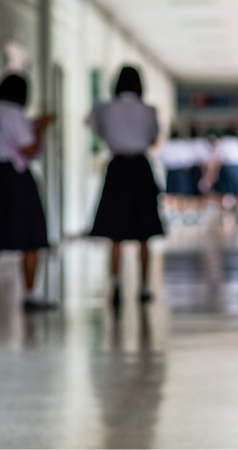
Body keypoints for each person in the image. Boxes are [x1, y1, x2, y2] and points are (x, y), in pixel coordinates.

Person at [0, 73, 57, 312]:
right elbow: (28, 147)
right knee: (31, 237)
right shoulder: (12, 112)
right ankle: (30, 293)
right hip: (15, 178)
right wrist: (40, 129)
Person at [89, 66, 164, 305]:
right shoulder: (148, 110)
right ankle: (143, 287)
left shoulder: (105, 110)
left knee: (115, 233)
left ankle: (116, 285)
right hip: (141, 169)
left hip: (118, 168)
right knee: (144, 233)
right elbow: (153, 138)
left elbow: (97, 131)